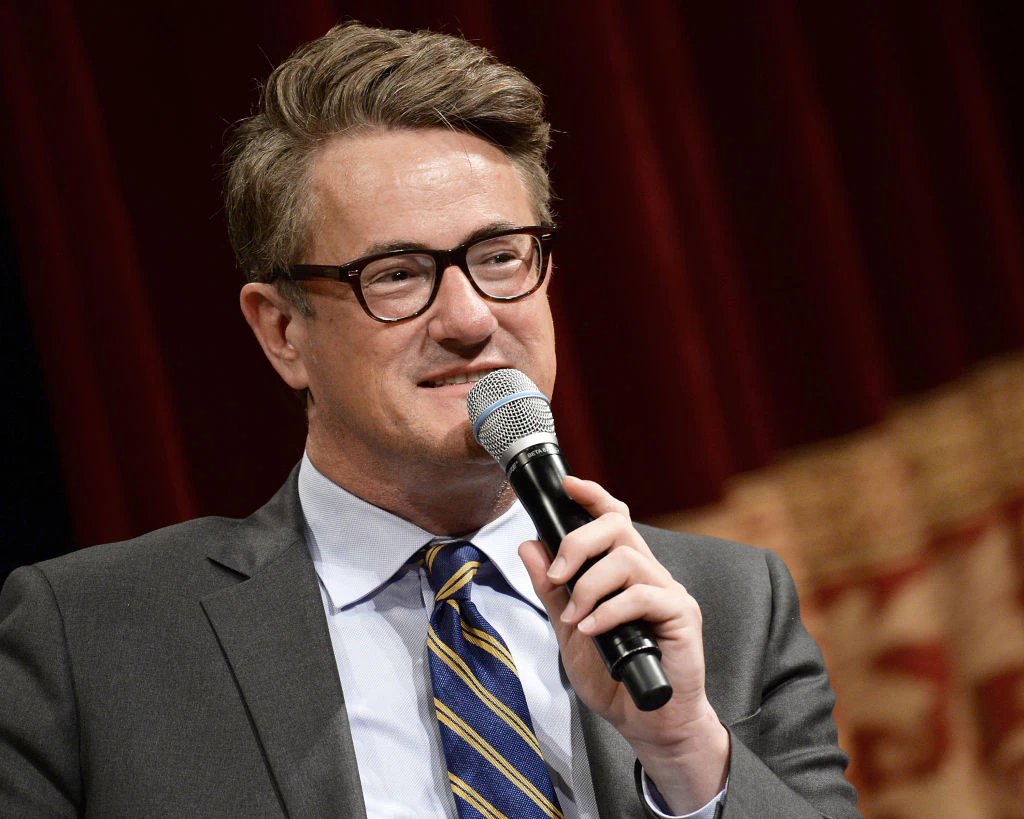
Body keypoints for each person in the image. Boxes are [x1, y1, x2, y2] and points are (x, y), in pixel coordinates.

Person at [0, 22, 859, 818]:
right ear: (281, 330)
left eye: (498, 258)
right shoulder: (91, 638)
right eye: (399, 273)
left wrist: (683, 751)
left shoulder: (728, 603)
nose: (470, 317)